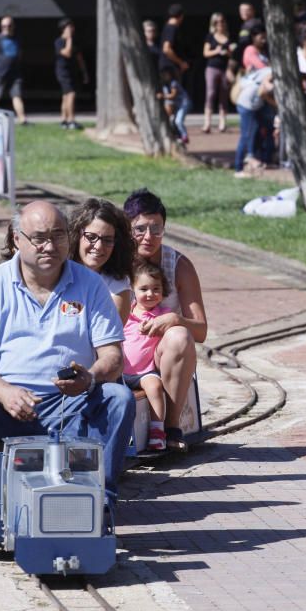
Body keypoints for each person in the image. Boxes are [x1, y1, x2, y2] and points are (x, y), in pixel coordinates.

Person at [0, 200, 135, 551]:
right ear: (18, 240)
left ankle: (100, 506)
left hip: (71, 404)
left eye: (58, 236)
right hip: (9, 405)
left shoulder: (89, 285)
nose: (50, 246)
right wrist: (4, 392)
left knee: (119, 398)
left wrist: (88, 378)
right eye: (39, 238)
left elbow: (113, 358)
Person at [123, 189, 207, 451]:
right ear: (127, 229)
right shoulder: (117, 262)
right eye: (140, 229)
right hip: (123, 351)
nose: (149, 237)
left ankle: (171, 427)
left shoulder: (178, 265)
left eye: (156, 229)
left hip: (158, 357)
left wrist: (174, 318)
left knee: (180, 335)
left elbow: (201, 330)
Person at [123, 261, 172, 451]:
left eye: (156, 289)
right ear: (133, 290)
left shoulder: (163, 315)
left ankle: (157, 430)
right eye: (144, 289)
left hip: (145, 372)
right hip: (121, 370)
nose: (150, 294)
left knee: (155, 387)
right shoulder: (126, 312)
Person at [67, 198, 135, 325]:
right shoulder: (57, 271)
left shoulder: (118, 287)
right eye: (91, 237)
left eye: (107, 240)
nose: (98, 246)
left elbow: (109, 337)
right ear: (77, 235)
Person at [0, 16, 27, 125]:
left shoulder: (17, 39)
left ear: (13, 26)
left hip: (15, 73)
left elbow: (20, 54)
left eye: (9, 25)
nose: (6, 28)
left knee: (17, 95)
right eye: (3, 26)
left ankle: (23, 120)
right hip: (0, 73)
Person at [234, 67, 275, 178]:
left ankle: (252, 158)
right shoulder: (273, 72)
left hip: (250, 103)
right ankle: (238, 169)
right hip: (248, 104)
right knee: (246, 135)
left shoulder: (266, 69)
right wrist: (275, 103)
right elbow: (262, 92)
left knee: (257, 130)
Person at [54, 17, 89, 130]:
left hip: (72, 72)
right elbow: (67, 53)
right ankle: (71, 120)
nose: (71, 29)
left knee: (65, 96)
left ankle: (63, 120)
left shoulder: (75, 41)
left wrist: (84, 72)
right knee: (71, 94)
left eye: (72, 27)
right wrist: (68, 39)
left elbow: (79, 58)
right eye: (69, 27)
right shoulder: (59, 42)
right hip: (62, 72)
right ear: (63, 29)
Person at [202, 12, 233, 133]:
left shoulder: (228, 37)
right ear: (213, 24)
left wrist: (228, 53)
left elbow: (232, 55)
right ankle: (207, 123)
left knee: (223, 95)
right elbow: (205, 53)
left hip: (224, 68)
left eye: (222, 21)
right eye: (217, 22)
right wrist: (216, 51)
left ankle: (222, 123)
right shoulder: (210, 36)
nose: (220, 24)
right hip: (212, 67)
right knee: (211, 93)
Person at [157, 67, 192, 146]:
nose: (163, 76)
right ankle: (178, 136)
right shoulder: (165, 86)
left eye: (165, 74)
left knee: (178, 121)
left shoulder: (173, 83)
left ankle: (185, 136)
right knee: (173, 121)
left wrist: (163, 96)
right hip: (178, 105)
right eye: (162, 75)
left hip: (184, 103)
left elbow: (173, 95)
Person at [158, 3, 189, 79]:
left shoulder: (168, 27)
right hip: (169, 68)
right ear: (181, 16)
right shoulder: (172, 28)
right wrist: (180, 63)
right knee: (173, 90)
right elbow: (167, 49)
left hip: (169, 67)